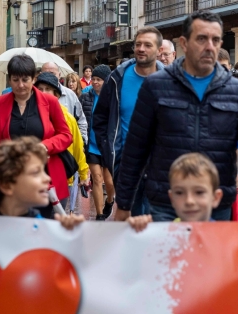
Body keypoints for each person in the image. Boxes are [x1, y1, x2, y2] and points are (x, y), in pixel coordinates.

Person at [113, 11, 238, 223]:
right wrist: (123, 203)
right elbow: (135, 149)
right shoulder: (156, 86)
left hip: (215, 204)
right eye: (201, 39)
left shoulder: (237, 92)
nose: (209, 46)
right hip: (165, 203)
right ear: (184, 43)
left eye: (215, 40)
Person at [0, 55, 72, 218]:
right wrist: (7, 154)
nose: (20, 85)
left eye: (25, 79)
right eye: (15, 79)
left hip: (47, 178)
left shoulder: (50, 102)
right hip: (11, 178)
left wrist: (46, 146)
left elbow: (66, 135)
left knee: (47, 231)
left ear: (34, 79)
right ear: (9, 80)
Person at [94, 27, 165, 217]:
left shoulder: (171, 81)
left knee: (157, 221)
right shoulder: (117, 78)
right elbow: (100, 118)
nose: (141, 48)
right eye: (138, 44)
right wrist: (110, 153)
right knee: (132, 221)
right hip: (125, 164)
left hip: (161, 165)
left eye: (147, 45)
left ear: (159, 51)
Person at [127, 153, 238, 232]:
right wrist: (141, 229)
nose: (190, 201)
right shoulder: (163, 231)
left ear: (216, 197)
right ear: (171, 197)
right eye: (180, 193)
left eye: (199, 192)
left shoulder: (225, 236)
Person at [0, 137, 85, 229]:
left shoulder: (41, 228)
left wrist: (68, 236)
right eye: (36, 173)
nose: (47, 178)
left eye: (44, 171)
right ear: (6, 185)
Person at [33, 72, 90, 209]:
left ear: (56, 94)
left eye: (48, 89)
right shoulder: (30, 115)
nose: (44, 93)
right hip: (34, 176)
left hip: (61, 176)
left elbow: (77, 146)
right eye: (40, 89)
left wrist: (83, 174)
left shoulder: (67, 117)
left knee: (56, 217)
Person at [80, 64, 116, 220]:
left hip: (107, 145)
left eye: (99, 79)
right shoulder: (85, 97)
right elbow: (80, 119)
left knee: (109, 182)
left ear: (106, 81)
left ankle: (110, 201)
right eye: (93, 79)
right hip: (92, 144)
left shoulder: (113, 98)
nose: (95, 82)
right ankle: (100, 214)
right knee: (97, 178)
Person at [40, 62, 88, 144]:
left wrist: (82, 141)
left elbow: (81, 120)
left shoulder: (70, 95)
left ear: (59, 75)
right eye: (46, 73)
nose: (49, 77)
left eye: (52, 74)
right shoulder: (34, 95)